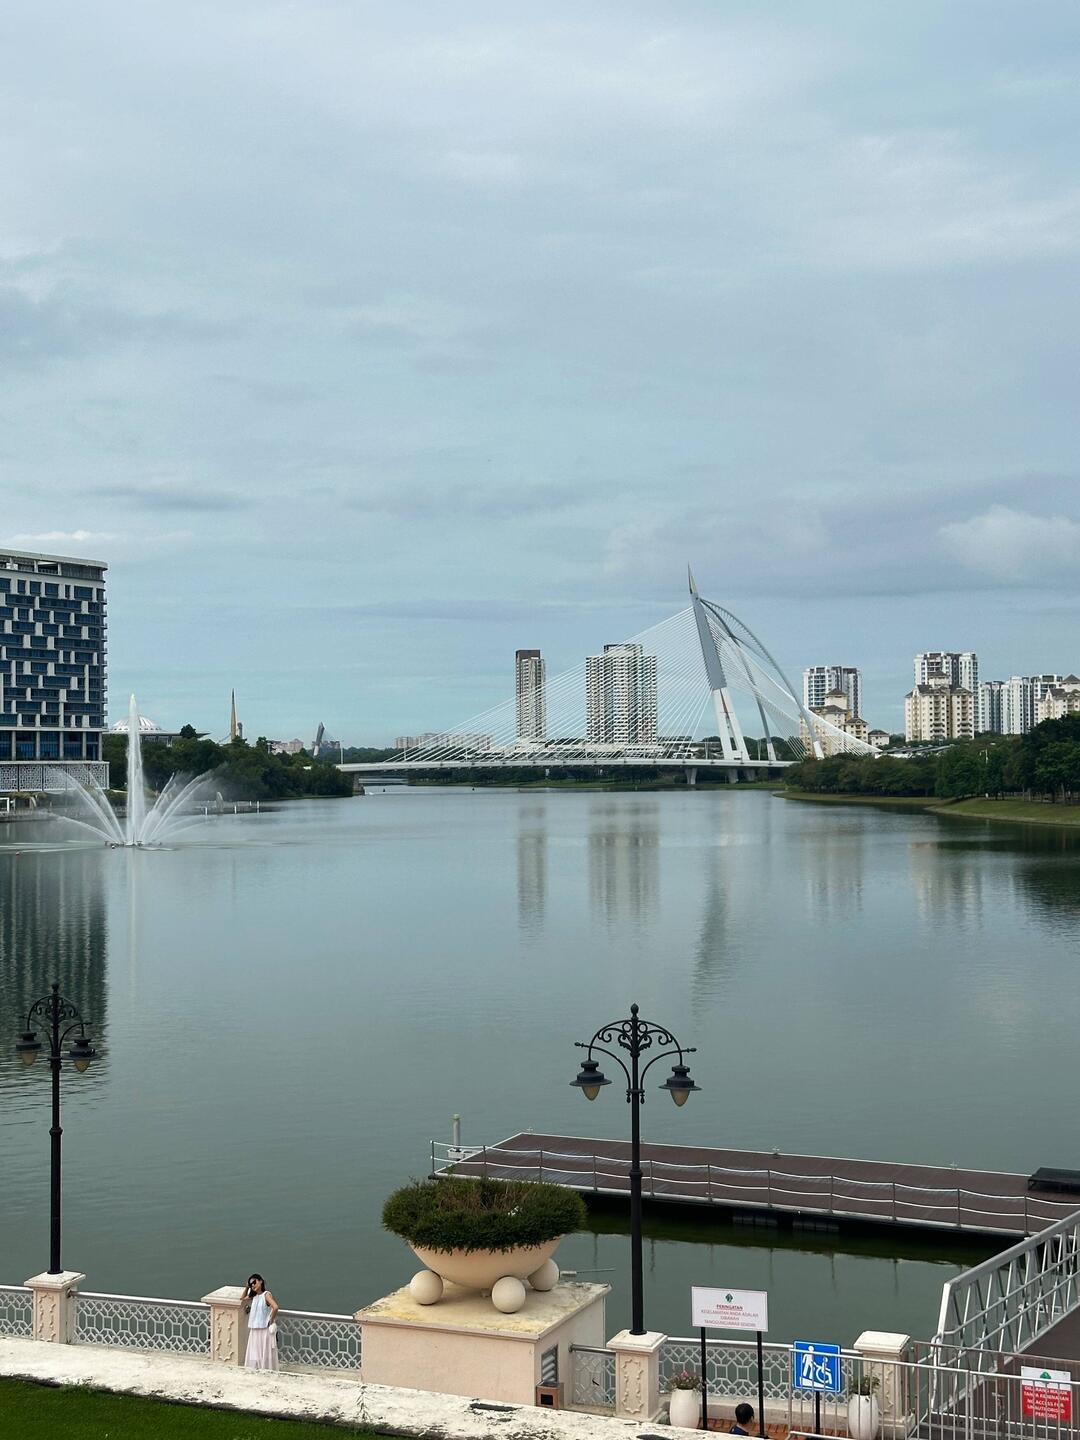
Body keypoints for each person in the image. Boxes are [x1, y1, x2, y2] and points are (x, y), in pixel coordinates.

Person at [242, 1273, 279, 1370]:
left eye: (254, 1282)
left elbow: (275, 1307)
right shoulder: (254, 1296)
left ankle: (265, 1369)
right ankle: (258, 1369)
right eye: (251, 1284)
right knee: (255, 1353)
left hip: (264, 1329)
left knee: (264, 1353)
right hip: (255, 1330)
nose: (253, 1285)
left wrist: (270, 1320)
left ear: (261, 1281)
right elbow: (242, 1299)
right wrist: (247, 1288)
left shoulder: (266, 1295)